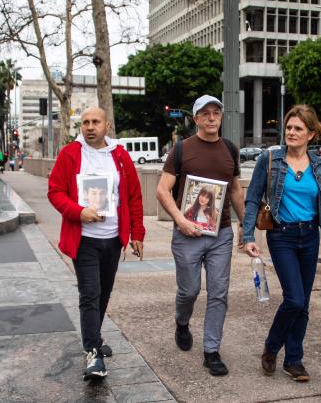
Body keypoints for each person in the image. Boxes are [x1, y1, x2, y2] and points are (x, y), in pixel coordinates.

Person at [242, 104, 321, 382]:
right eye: (289, 127)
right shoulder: (269, 160)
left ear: (311, 134)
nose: (291, 132)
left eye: (298, 128)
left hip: (309, 236)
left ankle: (294, 360)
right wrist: (248, 236)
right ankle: (271, 347)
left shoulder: (319, 165)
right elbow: (253, 198)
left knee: (303, 305)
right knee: (294, 299)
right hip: (282, 236)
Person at [47, 106, 145, 381]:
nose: (90, 127)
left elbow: (134, 197)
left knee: (103, 294)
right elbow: (55, 191)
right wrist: (78, 212)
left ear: (106, 125)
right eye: (85, 122)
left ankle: (95, 339)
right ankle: (93, 353)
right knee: (89, 294)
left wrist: (137, 233)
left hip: (113, 239)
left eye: (95, 122)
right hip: (84, 240)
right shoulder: (70, 154)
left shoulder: (121, 156)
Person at [156, 94, 245, 376]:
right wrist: (180, 220)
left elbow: (235, 190)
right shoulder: (181, 150)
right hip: (188, 233)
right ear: (196, 119)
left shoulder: (230, 149)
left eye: (215, 112)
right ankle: (182, 323)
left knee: (219, 293)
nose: (211, 117)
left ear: (221, 117)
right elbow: (162, 190)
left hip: (221, 234)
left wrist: (248, 226)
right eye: (204, 113)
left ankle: (211, 351)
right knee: (190, 290)